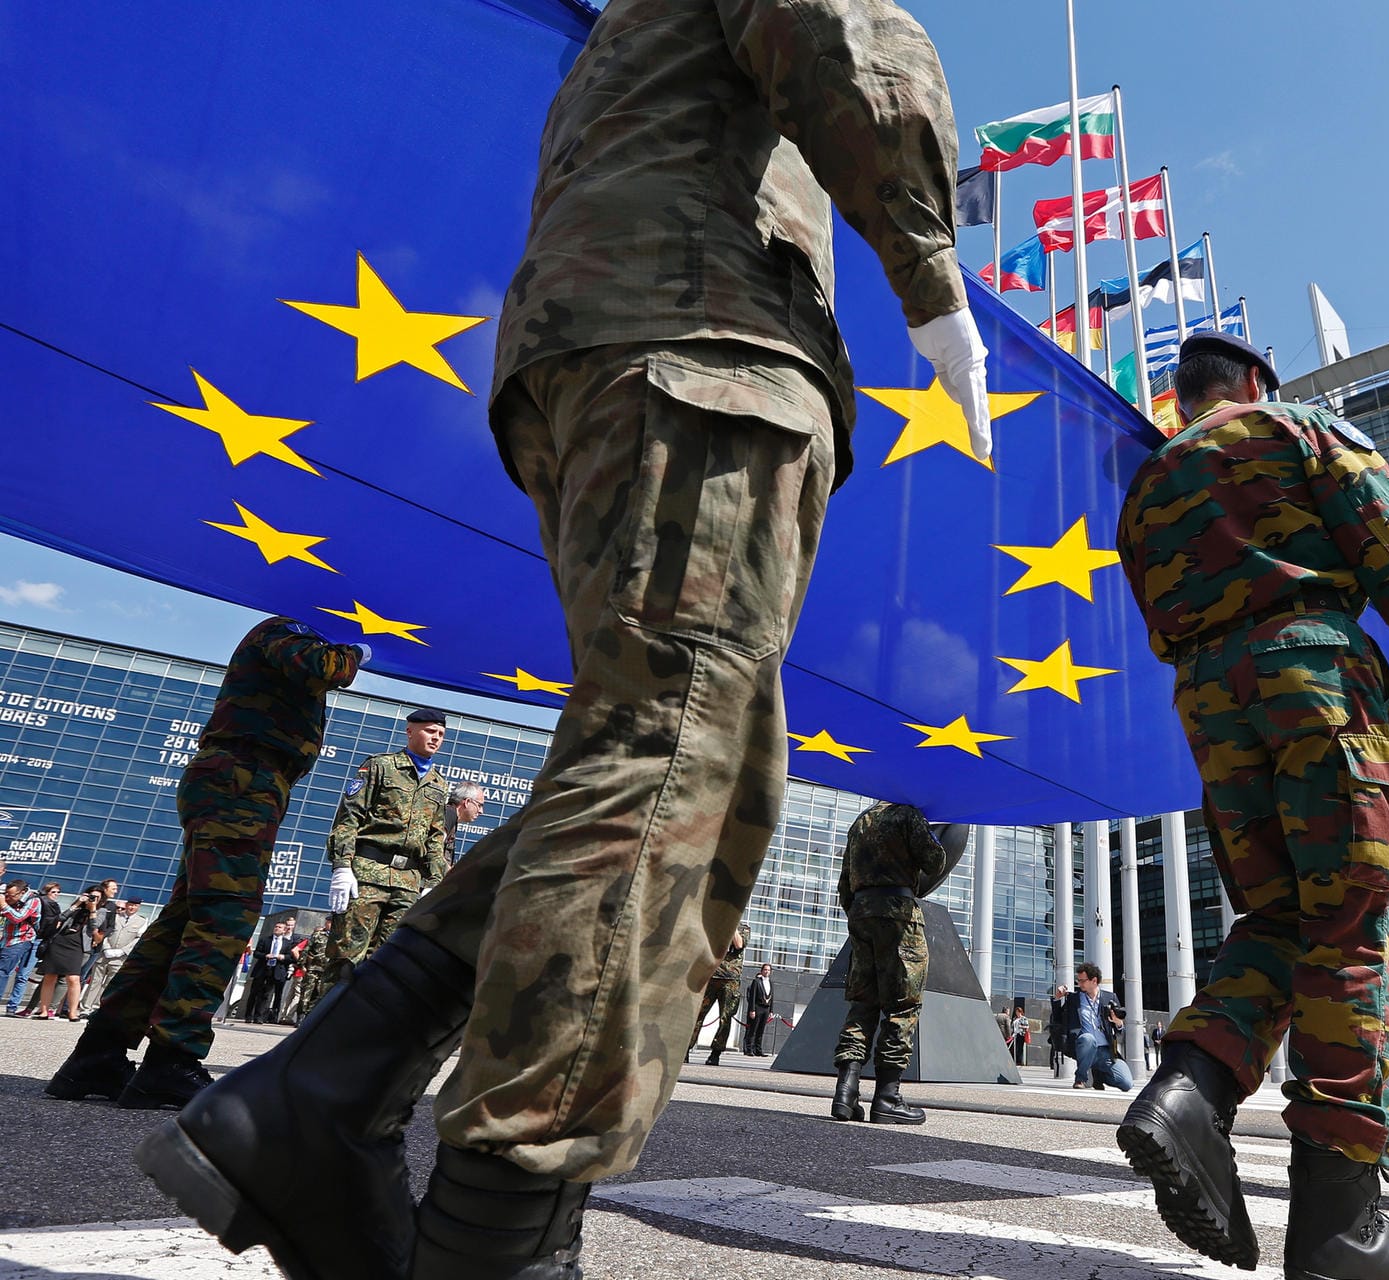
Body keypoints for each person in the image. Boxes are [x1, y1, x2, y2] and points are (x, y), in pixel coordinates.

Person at [137, 6, 991, 1271]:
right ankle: (499, 1224)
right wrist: (931, 282)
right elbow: (849, 45)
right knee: (668, 760)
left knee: (667, 764)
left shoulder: (625, 39)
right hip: (702, 342)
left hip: (618, 344)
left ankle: (324, 1090)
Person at [1114, 332, 1389, 1278]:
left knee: (1281, 916)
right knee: (1347, 926)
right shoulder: (1300, 429)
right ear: (1252, 382)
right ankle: (1341, 1221)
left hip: (1210, 699)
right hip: (1315, 677)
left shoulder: (1152, 478)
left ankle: (1189, 1088)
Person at [46, 617, 363, 1112]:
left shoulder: (290, 636)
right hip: (242, 779)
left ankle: (100, 1053)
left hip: (245, 780)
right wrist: (360, 651)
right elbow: (322, 665)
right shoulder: (285, 630)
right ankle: (172, 1060)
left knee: (183, 920)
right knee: (225, 917)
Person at [830, 803, 964, 1125]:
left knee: (862, 1004)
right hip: (899, 914)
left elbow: (844, 884)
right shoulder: (907, 814)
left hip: (862, 914)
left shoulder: (860, 821)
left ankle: (845, 1094)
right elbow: (934, 861)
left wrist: (862, 912)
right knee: (902, 1006)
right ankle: (887, 1098)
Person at [318, 708, 452, 998]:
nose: (436, 738)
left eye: (441, 734)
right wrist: (342, 867)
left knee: (389, 966)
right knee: (346, 959)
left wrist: (433, 883)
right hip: (367, 875)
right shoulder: (380, 767)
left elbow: (435, 838)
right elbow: (349, 818)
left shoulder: (439, 785)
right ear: (409, 731)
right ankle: (321, 1037)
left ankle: (363, 1038)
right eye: (430, 731)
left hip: (407, 884)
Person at [28, 890, 96, 1020]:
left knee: (73, 979)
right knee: (50, 977)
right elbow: (61, 918)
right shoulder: (75, 909)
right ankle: (44, 1011)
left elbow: (94, 928)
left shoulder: (99, 912)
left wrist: (92, 909)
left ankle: (72, 1012)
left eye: (95, 897)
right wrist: (77, 903)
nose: (91, 899)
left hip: (77, 946)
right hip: (59, 942)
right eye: (90, 896)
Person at [688, 925, 751, 1065]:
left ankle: (716, 1052)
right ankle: (686, 1049)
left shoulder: (743, 929)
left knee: (725, 1018)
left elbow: (739, 944)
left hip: (730, 980)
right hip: (710, 977)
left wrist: (732, 925)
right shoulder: (715, 926)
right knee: (697, 1015)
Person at [1066, 963, 1131, 1092]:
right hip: (1085, 1047)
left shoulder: (1110, 998)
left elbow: (1120, 1032)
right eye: (1078, 980)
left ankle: (1098, 1076)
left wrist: (1118, 1022)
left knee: (1126, 1083)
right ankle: (1081, 1078)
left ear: (1094, 980)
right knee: (1088, 1039)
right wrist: (1057, 999)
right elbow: (1059, 1018)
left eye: (1082, 980)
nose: (1079, 983)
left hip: (1106, 1051)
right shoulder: (1074, 999)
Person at [78, 898, 148, 1017]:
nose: (132, 908)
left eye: (135, 906)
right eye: (130, 905)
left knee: (110, 984)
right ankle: (85, 1008)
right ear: (126, 905)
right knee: (95, 982)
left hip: (120, 958)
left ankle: (98, 1007)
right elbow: (104, 932)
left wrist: (122, 951)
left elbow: (138, 940)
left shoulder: (141, 921)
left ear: (138, 907)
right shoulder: (115, 917)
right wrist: (106, 948)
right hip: (104, 955)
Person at [243, 920, 298, 1024]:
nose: (277, 928)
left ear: (284, 930)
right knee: (254, 993)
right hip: (262, 969)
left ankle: (258, 1017)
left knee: (265, 994)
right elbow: (257, 953)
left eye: (280, 927)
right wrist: (265, 956)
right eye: (276, 927)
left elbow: (291, 958)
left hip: (275, 970)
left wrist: (283, 957)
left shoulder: (287, 943)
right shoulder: (265, 940)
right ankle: (248, 1015)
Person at [1, 880, 43, 1015]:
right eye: (6, 895)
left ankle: (12, 1006)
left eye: (11, 896)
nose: (8, 898)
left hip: (21, 940)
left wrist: (3, 904)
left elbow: (18, 918)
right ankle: (12, 1008)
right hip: (7, 939)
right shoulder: (11, 899)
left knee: (4, 972)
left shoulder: (33, 900)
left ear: (22, 892)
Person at [442, 783, 487, 866]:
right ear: (467, 802)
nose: (481, 811)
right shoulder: (449, 814)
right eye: (479, 805)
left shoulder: (451, 816)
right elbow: (434, 849)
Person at [741, 962, 774, 1057]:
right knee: (753, 1029)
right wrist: (752, 1010)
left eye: (768, 970)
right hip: (757, 1007)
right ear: (762, 971)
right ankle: (749, 1049)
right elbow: (752, 996)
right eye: (765, 970)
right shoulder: (756, 981)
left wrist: (771, 1010)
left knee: (761, 1030)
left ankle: (758, 1049)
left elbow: (772, 997)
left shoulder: (771, 982)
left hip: (766, 1009)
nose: (767, 971)